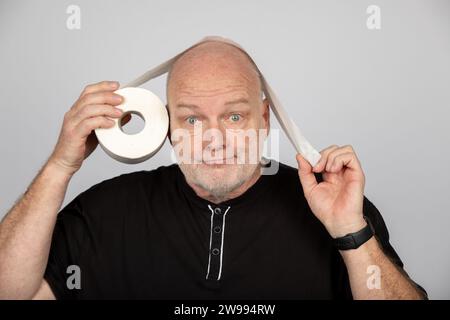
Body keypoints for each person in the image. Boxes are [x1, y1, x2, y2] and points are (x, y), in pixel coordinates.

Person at [0, 41, 426, 299]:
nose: (214, 137)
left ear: (264, 119)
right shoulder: (102, 214)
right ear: (165, 126)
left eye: (235, 117)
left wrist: (352, 233)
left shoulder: (336, 212)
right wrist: (61, 165)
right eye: (191, 118)